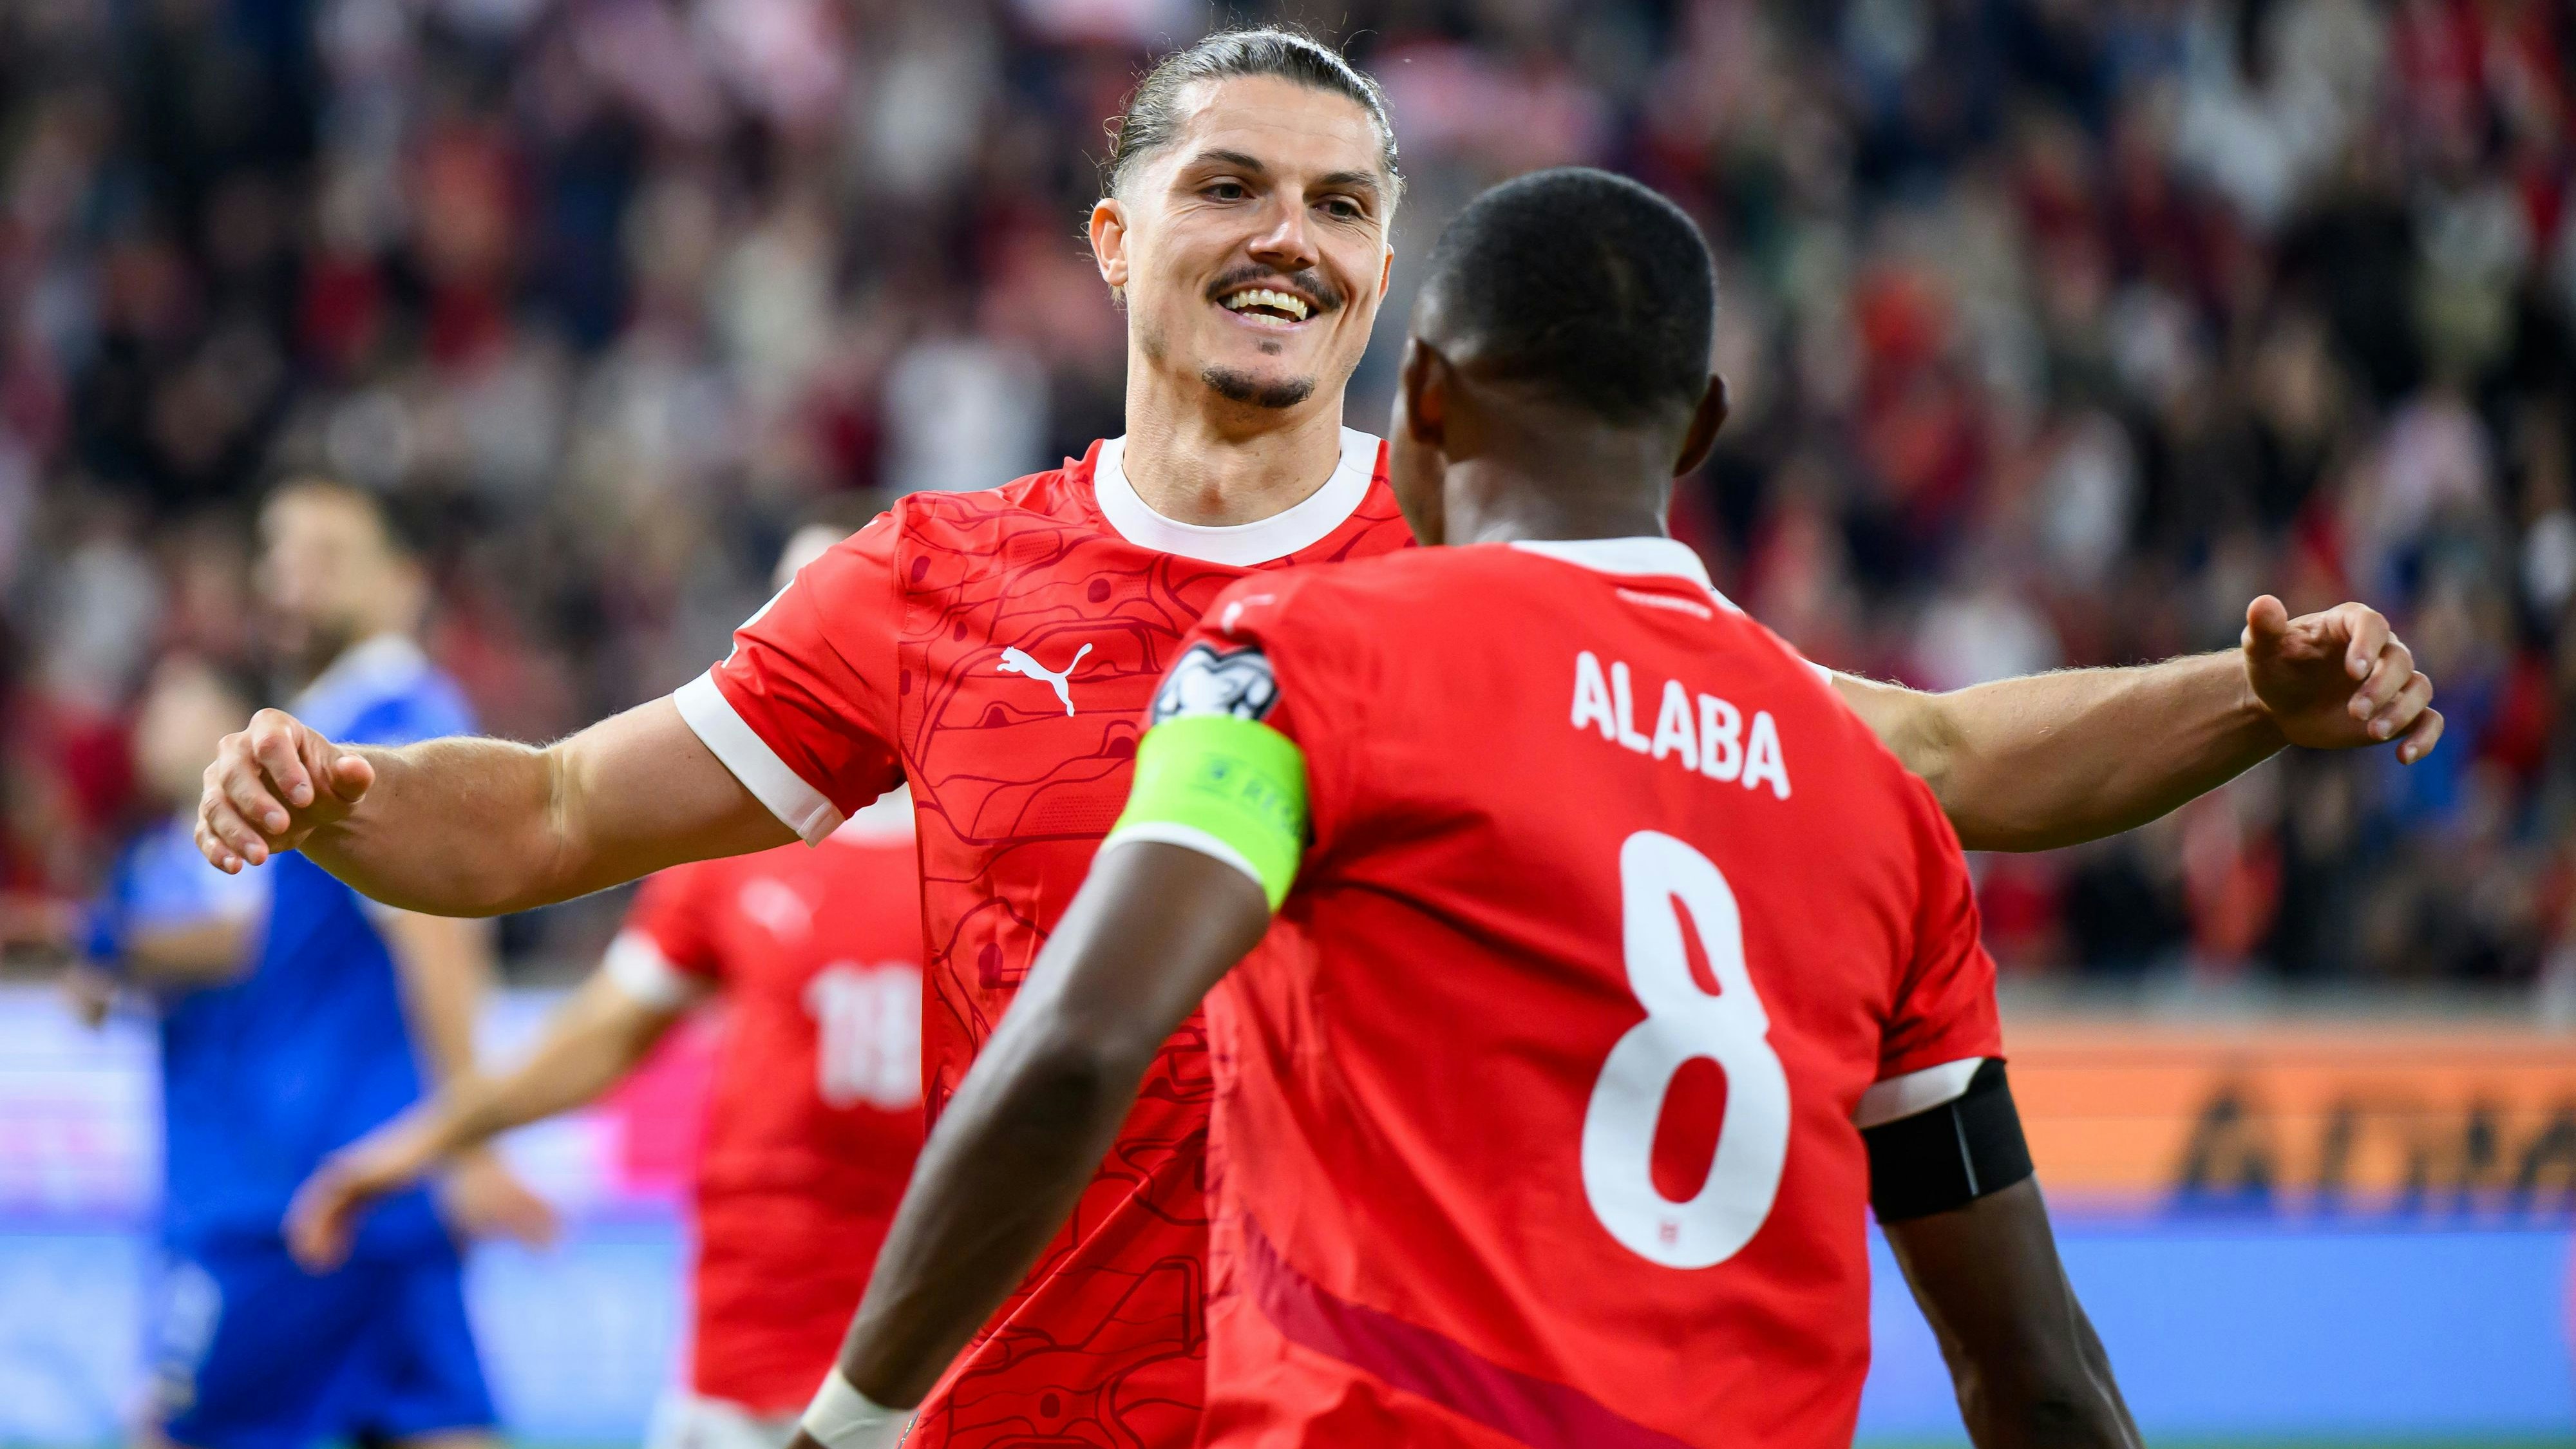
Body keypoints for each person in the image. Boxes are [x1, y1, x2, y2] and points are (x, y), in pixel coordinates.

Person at [194, 30, 2431, 1449]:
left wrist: (2243, 697)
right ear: (1113, 239)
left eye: (1348, 205)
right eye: (1234, 187)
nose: (1292, 236)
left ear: (1394, 294)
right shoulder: (932, 582)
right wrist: (342, 802)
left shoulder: (1502, 588)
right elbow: (559, 807)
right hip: (1029, 1411)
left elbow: (1929, 758)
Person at [792, 167, 2137, 1449]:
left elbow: (1083, 1045)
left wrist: (849, 1415)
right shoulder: (1876, 805)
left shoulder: (1299, 658)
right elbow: (2041, 1380)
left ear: (1424, 397)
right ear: (1700, 427)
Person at [278, 516, 927, 1449]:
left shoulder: (1011, 845)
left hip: (944, 1357)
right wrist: (426, 1144)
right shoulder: (733, 846)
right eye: (791, 609)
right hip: (751, 1359)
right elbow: (598, 1036)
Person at [106, 480, 551, 1449]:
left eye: (327, 558)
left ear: (404, 584)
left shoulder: (389, 724)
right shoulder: (330, 720)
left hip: (308, 1193)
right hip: (368, 1181)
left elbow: (436, 934)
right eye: (280, 556)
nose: (291, 582)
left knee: (170, 1430)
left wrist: (469, 1141)